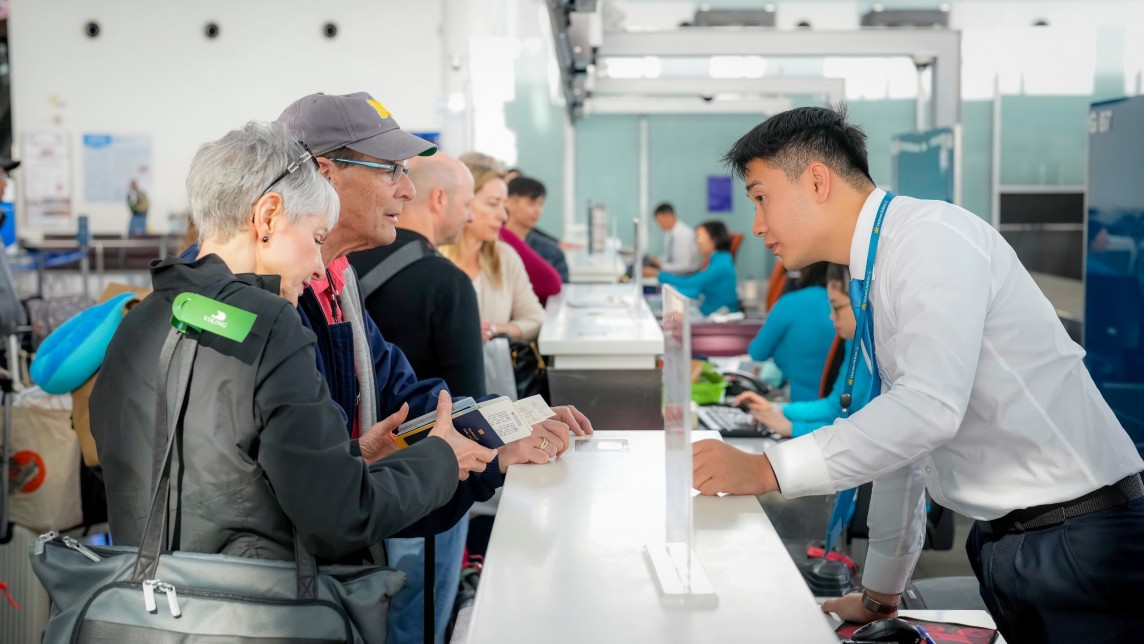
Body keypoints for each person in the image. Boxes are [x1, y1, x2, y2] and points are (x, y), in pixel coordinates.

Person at [691, 105, 1144, 644]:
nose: (758, 225)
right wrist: (881, 592)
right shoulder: (882, 266)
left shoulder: (931, 239)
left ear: (816, 180)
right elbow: (904, 445)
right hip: (1016, 543)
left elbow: (928, 411)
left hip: (1076, 540)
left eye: (761, 197)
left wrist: (768, 470)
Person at [91, 121, 494, 566]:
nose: (322, 270)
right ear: (267, 217)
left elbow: (215, 482)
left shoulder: (141, 318)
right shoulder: (271, 325)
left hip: (154, 612)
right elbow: (341, 519)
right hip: (253, 613)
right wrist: (440, 458)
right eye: (317, 239)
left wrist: (348, 459)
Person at [272, 93, 591, 644]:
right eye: (390, 169)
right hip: (279, 597)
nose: (407, 188)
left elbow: (407, 393)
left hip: (339, 571)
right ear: (323, 174)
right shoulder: (267, 300)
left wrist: (506, 428)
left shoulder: (337, 281)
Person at [736, 264, 867, 437]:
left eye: (836, 307)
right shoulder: (854, 342)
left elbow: (857, 430)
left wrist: (790, 428)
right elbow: (834, 407)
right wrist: (776, 410)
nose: (831, 317)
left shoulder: (872, 354)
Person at [439, 162, 546, 344]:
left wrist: (498, 330)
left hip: (497, 370)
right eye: (493, 204)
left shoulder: (505, 257)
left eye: (504, 206)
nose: (503, 216)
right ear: (464, 202)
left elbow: (536, 318)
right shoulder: (434, 262)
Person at [745, 262, 835, 401]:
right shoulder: (848, 308)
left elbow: (757, 353)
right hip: (842, 407)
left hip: (798, 405)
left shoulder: (789, 303)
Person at [656, 220, 740, 316]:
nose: (697, 243)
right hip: (710, 312)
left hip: (720, 316)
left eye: (700, 238)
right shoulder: (718, 258)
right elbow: (696, 289)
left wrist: (658, 275)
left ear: (714, 239)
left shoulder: (721, 263)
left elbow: (690, 283)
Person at [505, 176, 569, 283]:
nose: (538, 210)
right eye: (531, 203)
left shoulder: (551, 251)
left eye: (540, 204)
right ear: (510, 203)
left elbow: (562, 290)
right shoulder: (491, 245)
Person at [643, 202, 700, 277]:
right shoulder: (669, 233)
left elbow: (684, 266)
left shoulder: (684, 234)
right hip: (673, 272)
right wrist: (656, 260)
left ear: (669, 216)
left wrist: (661, 266)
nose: (659, 224)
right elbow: (669, 257)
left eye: (659, 221)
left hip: (686, 275)